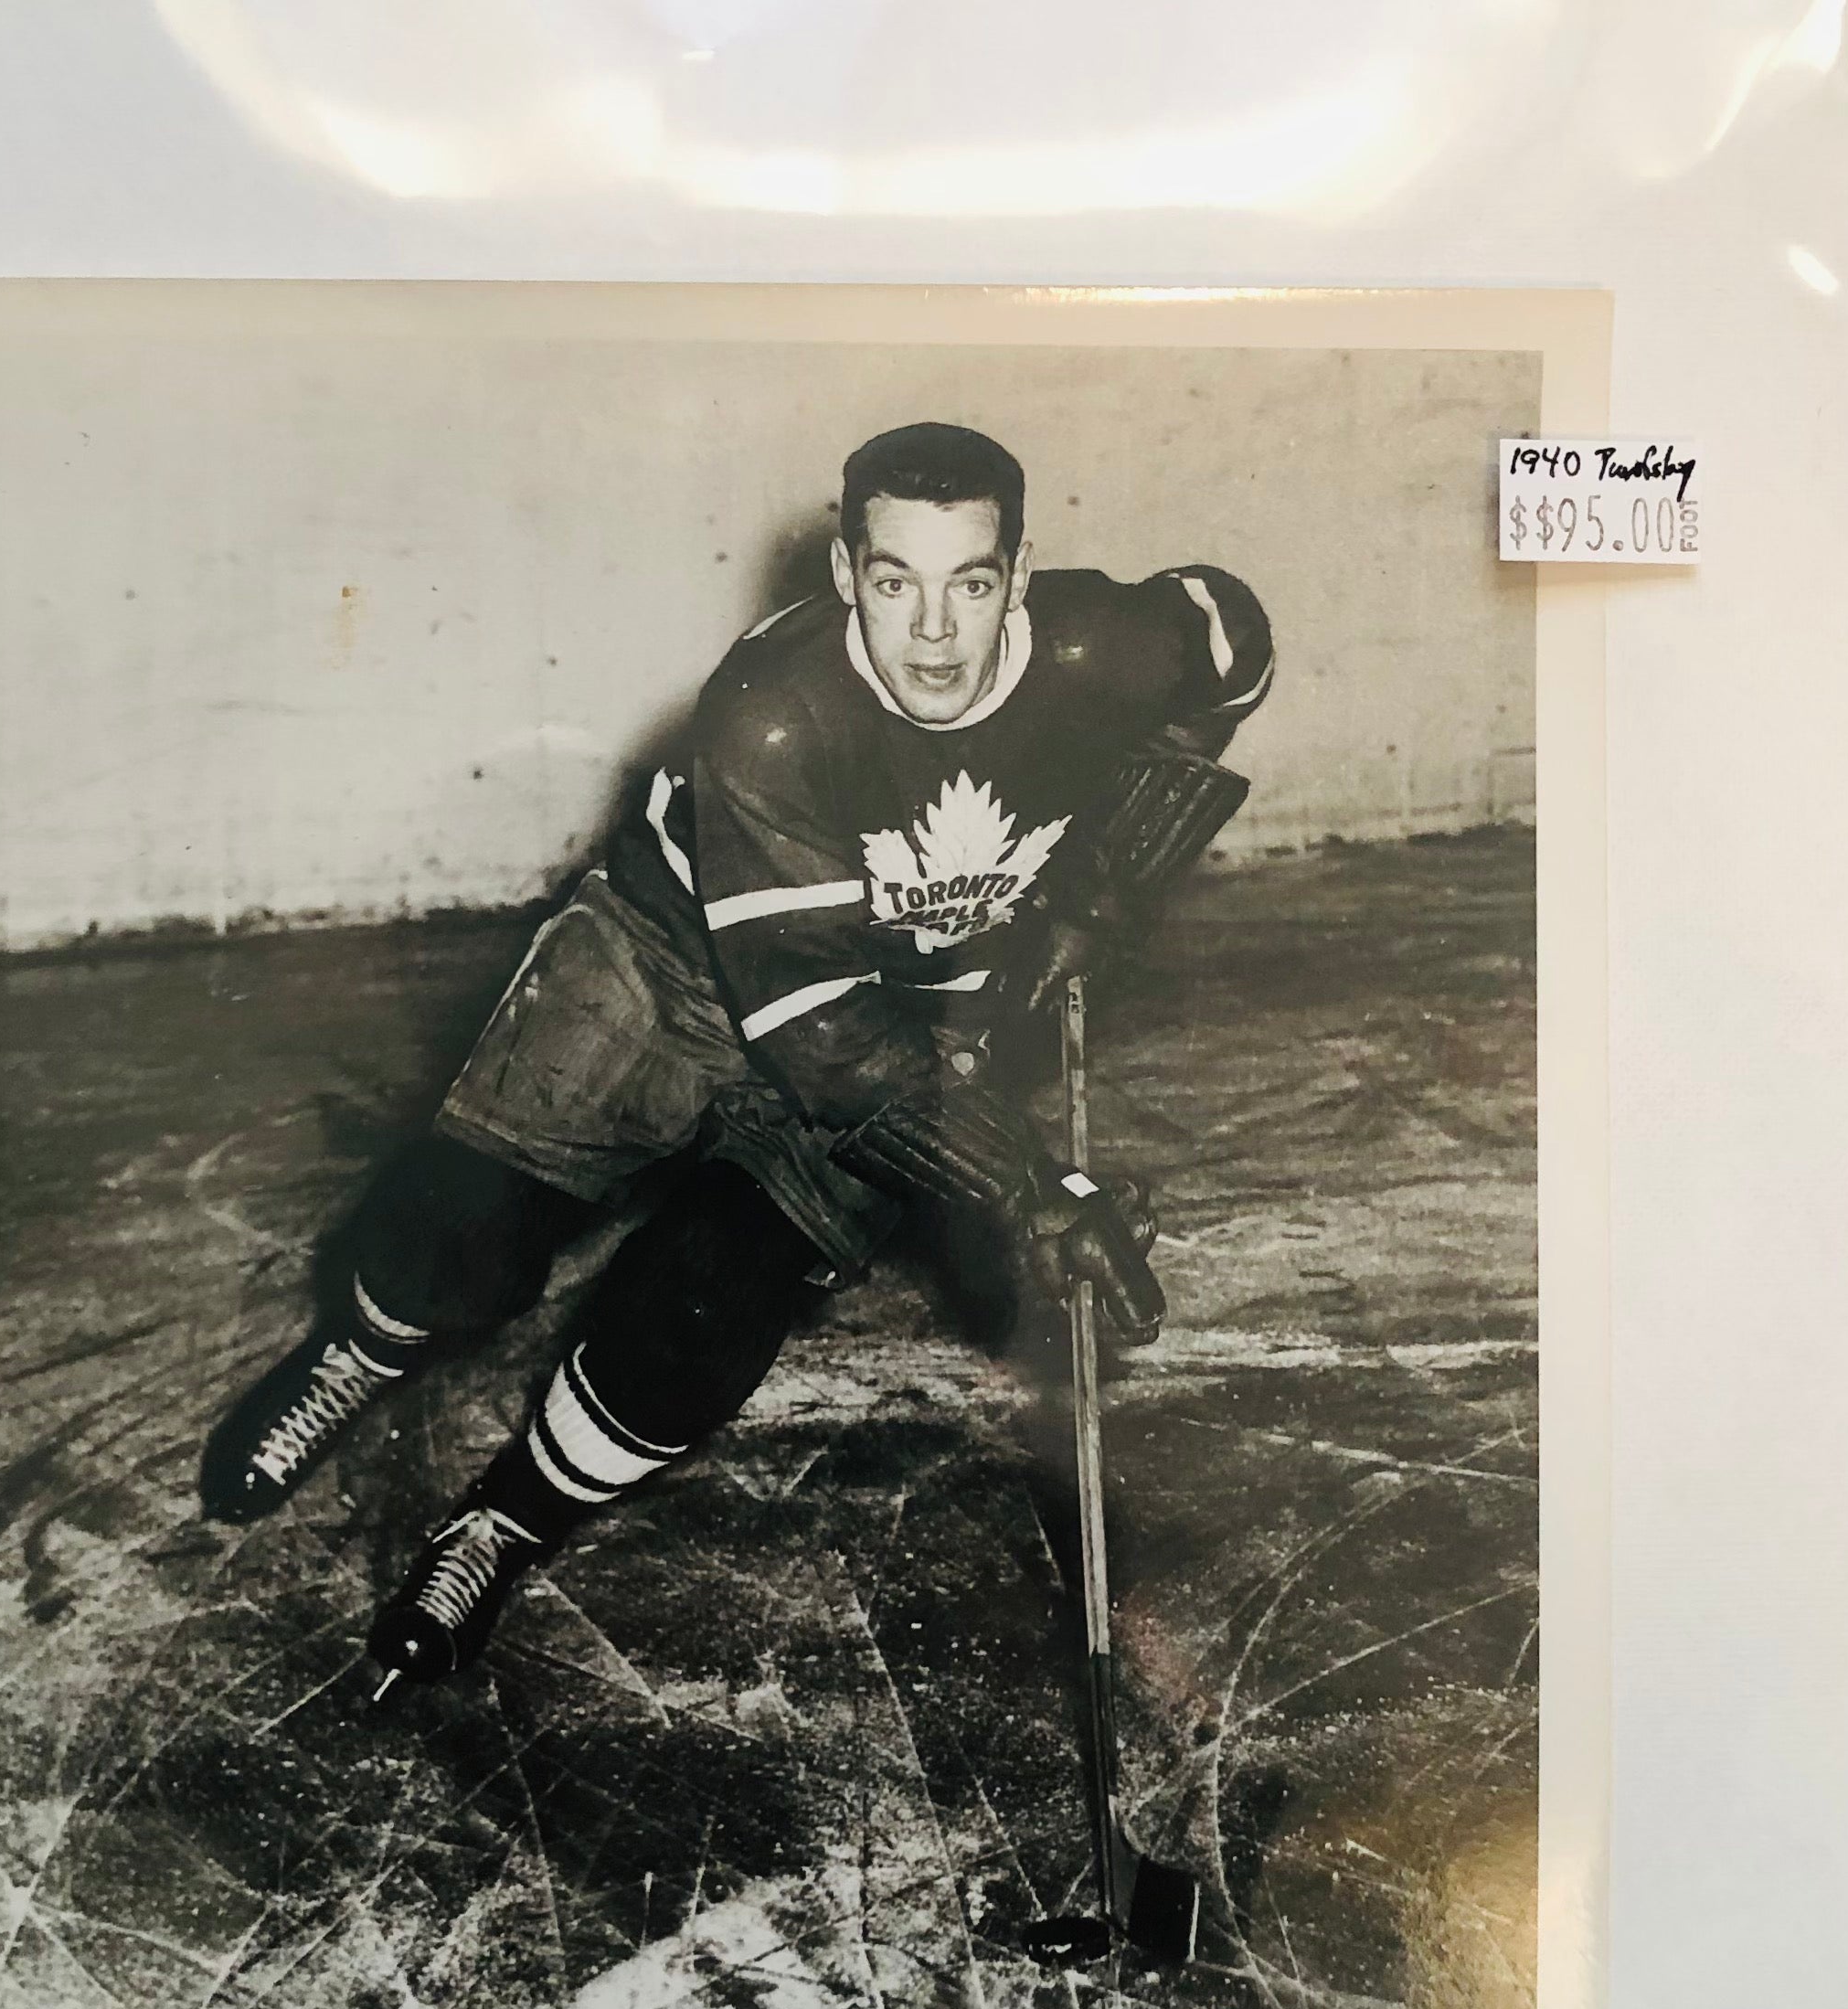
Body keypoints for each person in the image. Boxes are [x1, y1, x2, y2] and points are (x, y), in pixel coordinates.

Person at [199, 421, 1272, 1686]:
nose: (931, 632)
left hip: (905, 1020)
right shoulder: (774, 712)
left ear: (1019, 576)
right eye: (893, 582)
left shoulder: (1113, 647)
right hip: (675, 970)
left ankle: (499, 1524)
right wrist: (1026, 1190)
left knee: (703, 1311)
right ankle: (359, 1353)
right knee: (456, 1241)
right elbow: (820, 1039)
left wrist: (1102, 888)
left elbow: (1230, 645)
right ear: (841, 574)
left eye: (968, 584)